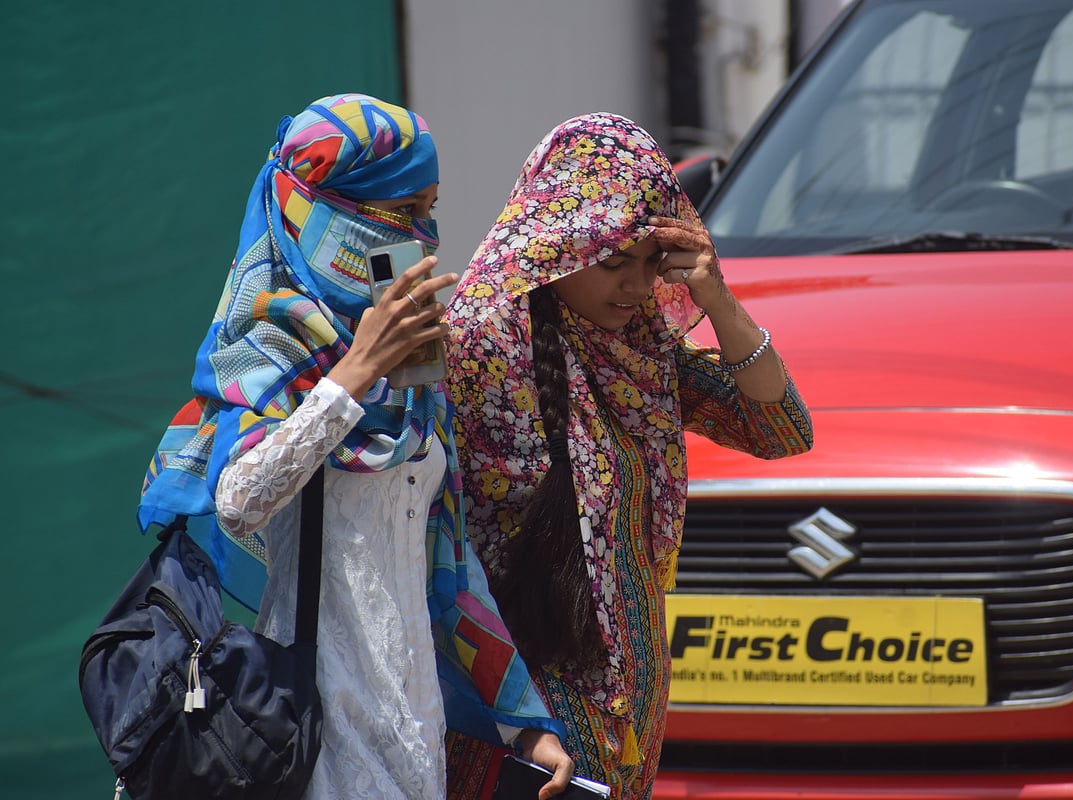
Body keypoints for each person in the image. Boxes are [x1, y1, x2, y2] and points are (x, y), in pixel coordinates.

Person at [135, 93, 572, 800]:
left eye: (430, 211)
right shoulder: (269, 347)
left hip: (413, 726)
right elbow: (239, 500)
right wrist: (350, 378)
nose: (421, 237)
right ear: (325, 210)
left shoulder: (418, 372)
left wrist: (524, 721)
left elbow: (448, 565)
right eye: (401, 214)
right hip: (310, 725)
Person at [442, 113, 814, 799]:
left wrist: (718, 298)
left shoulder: (640, 350)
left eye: (651, 264)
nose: (637, 287)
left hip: (629, 711)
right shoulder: (478, 345)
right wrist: (518, 719)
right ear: (556, 244)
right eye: (614, 263)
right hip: (525, 722)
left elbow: (782, 429)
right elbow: (442, 558)